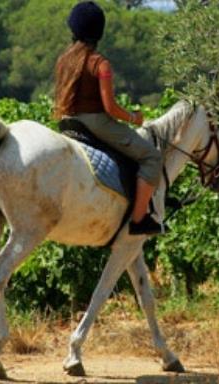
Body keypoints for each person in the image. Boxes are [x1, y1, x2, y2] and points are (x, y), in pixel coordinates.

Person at [54, 1, 166, 235]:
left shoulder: (63, 60)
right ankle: (138, 220)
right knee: (152, 157)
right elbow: (110, 108)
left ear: (73, 29)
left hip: (67, 121)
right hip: (96, 123)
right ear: (99, 32)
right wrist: (134, 118)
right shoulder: (100, 64)